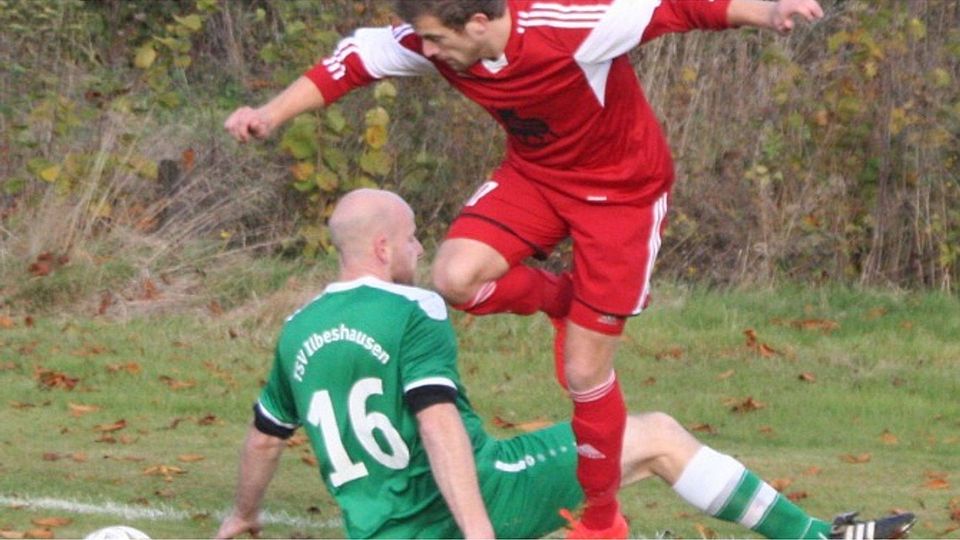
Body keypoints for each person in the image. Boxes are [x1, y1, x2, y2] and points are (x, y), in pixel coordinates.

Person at [224, 1, 831, 536]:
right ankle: (564, 301)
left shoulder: (571, 25)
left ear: (480, 22)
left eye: (436, 39)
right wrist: (272, 114)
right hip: (537, 179)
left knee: (584, 372)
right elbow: (355, 60)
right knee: (453, 277)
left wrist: (769, 9)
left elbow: (677, 8)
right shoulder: (435, 39)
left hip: (622, 196)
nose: (426, 50)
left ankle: (599, 522)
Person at [216, 188, 916, 540]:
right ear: (381, 248)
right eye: (412, 238)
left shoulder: (294, 329)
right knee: (657, 437)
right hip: (466, 504)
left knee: (644, 442)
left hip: (378, 528)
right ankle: (820, 538)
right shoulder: (413, 311)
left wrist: (242, 518)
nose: (419, 249)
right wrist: (479, 532)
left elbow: (262, 438)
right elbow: (438, 428)